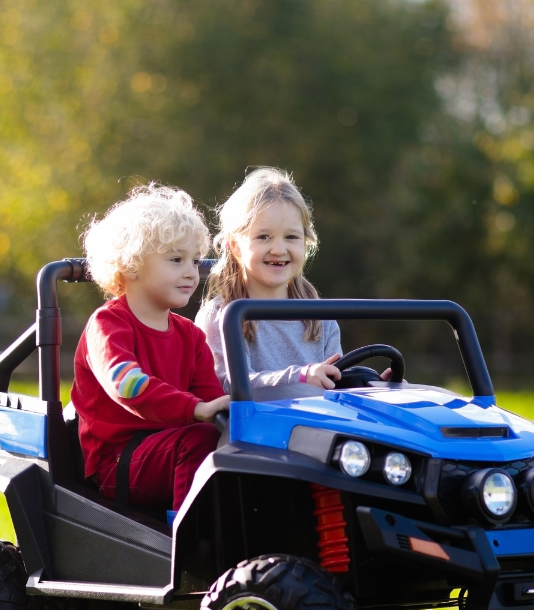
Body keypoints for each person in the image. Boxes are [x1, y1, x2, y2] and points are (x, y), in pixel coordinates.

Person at [71, 184, 230, 509]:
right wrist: (194, 409)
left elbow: (211, 400)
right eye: (176, 259)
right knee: (202, 439)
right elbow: (127, 385)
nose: (191, 272)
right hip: (119, 462)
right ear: (130, 265)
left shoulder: (191, 336)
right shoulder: (108, 325)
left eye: (195, 260)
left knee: (230, 439)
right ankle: (192, 540)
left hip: (172, 450)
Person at [195, 167, 346, 391]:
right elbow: (228, 385)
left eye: (291, 237)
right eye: (264, 237)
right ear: (236, 245)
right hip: (255, 425)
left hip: (316, 425)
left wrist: (372, 384)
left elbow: (336, 384)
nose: (278, 249)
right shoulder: (221, 316)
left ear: (306, 242)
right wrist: (301, 377)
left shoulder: (321, 318)